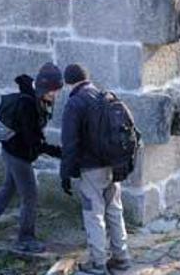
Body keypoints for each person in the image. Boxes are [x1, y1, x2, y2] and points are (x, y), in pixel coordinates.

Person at [0, 63, 64, 253]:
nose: (55, 95)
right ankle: (25, 238)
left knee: (8, 188)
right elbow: (33, 141)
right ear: (41, 87)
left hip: (12, 150)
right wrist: (60, 152)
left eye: (57, 91)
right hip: (18, 154)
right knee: (30, 196)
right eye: (52, 91)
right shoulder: (27, 105)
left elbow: (34, 137)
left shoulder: (37, 98)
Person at [59, 64, 132, 275]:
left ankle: (97, 263)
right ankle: (121, 258)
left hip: (91, 169)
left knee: (94, 214)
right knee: (114, 211)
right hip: (114, 165)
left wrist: (66, 173)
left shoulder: (75, 103)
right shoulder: (105, 97)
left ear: (68, 82)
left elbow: (69, 142)